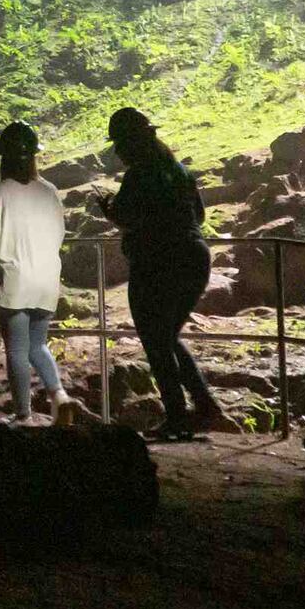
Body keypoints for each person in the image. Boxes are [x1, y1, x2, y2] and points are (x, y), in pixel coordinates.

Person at [99, 107, 221, 443]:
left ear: (131, 143)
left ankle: (179, 418)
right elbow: (199, 214)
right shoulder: (178, 170)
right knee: (165, 337)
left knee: (156, 342)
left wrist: (110, 212)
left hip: (157, 263)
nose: (118, 151)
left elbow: (127, 215)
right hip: (194, 256)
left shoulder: (139, 174)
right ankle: (204, 406)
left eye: (120, 143)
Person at [0, 121, 75, 427]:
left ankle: (23, 413)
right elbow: (60, 234)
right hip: (46, 277)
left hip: (14, 279)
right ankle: (59, 396)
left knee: (17, 350)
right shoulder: (49, 191)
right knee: (38, 345)